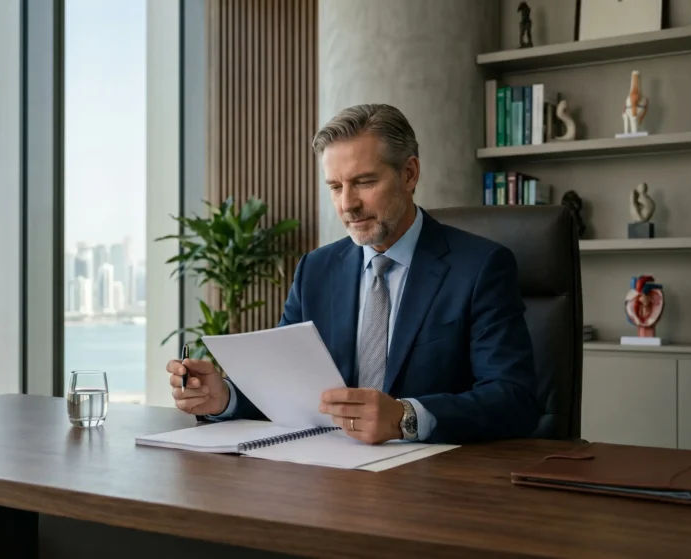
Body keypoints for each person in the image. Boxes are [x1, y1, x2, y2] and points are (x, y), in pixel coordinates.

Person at [166, 103, 539, 445]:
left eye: (364, 182)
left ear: (409, 174)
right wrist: (224, 397)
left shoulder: (481, 266)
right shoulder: (316, 269)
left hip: (432, 482)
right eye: (335, 187)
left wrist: (406, 417)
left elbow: (513, 398)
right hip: (328, 473)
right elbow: (287, 386)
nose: (347, 204)